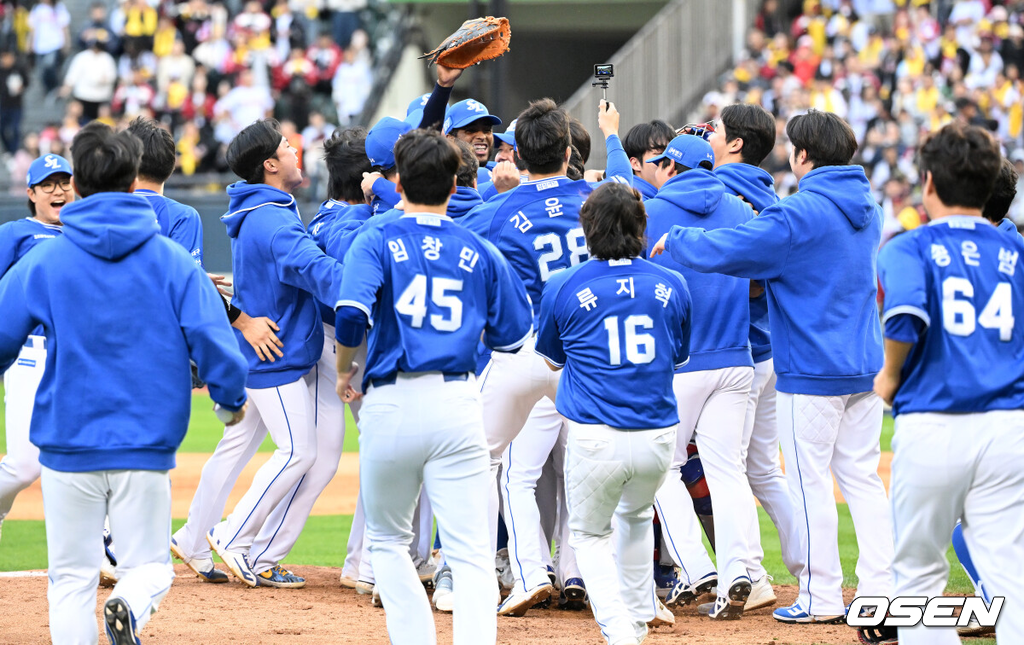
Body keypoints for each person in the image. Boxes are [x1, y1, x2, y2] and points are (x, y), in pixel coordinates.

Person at [0, 122, 248, 645]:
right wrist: (230, 400)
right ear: (134, 176)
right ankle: (129, 603)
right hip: (144, 440)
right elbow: (213, 341)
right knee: (151, 567)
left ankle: (119, 603)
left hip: (66, 441)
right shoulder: (171, 259)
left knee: (69, 579)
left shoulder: (46, 257)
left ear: (80, 184)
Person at [651, 109, 893, 624]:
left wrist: (681, 241)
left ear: (804, 156)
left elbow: (738, 248)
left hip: (812, 368)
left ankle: (822, 596)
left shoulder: (799, 212)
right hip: (863, 364)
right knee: (863, 480)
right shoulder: (867, 206)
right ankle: (881, 590)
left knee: (809, 482)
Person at [333, 128, 533, 645]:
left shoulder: (374, 237)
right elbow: (512, 334)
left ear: (396, 182)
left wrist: (343, 369)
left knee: (389, 542)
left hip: (391, 400)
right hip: (457, 402)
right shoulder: (479, 246)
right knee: (470, 551)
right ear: (453, 184)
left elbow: (351, 315)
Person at [175, 119, 345, 590]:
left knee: (233, 452)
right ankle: (231, 536)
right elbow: (319, 271)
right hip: (275, 355)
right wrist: (373, 275)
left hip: (261, 348)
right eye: (288, 147)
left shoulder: (261, 208)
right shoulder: (272, 218)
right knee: (297, 451)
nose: (296, 151)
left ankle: (191, 538)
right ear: (270, 164)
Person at [874, 122, 1024, 645]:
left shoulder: (907, 246)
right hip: (1009, 425)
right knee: (1010, 574)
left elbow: (905, 317)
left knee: (917, 577)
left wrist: (890, 375)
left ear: (929, 183)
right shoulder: (1017, 252)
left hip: (935, 420)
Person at [535, 182, 691, 645]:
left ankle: (622, 630)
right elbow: (677, 357)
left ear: (589, 230)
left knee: (588, 535)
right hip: (658, 432)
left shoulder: (564, 284)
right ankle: (639, 616)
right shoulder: (672, 283)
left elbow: (552, 360)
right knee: (638, 516)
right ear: (641, 228)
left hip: (595, 433)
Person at [459, 97, 593, 616]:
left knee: (496, 465)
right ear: (566, 150)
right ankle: (586, 572)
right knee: (590, 466)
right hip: (586, 355)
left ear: (515, 154)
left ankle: (523, 571)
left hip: (525, 349)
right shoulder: (600, 197)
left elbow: (452, 235)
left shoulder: (499, 210)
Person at [644, 133, 759, 620]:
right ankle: (740, 574)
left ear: (670, 165)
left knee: (661, 470)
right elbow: (759, 283)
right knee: (728, 469)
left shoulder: (651, 212)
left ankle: (695, 567)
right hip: (737, 358)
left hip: (680, 365)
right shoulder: (741, 210)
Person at [708, 103, 800, 608]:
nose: (710, 136)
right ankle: (812, 571)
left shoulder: (724, 192)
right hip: (766, 353)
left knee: (732, 468)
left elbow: (752, 287)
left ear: (736, 144)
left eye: (717, 130)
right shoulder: (771, 194)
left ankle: (748, 574)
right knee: (762, 469)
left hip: (736, 349)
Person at [0, 154, 73, 542]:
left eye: (64, 181)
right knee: (26, 466)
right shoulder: (15, 232)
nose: (58, 190)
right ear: (31, 193)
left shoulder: (85, 235)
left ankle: (100, 548)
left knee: (85, 461)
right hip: (28, 353)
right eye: (48, 184)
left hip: (75, 359)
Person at [443, 98, 502, 184]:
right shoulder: (439, 180)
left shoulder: (506, 175)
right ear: (450, 139)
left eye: (487, 130)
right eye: (471, 130)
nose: (482, 136)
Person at [621, 120, 676, 199]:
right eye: (660, 154)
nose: (671, 162)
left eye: (671, 154)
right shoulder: (631, 204)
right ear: (635, 164)